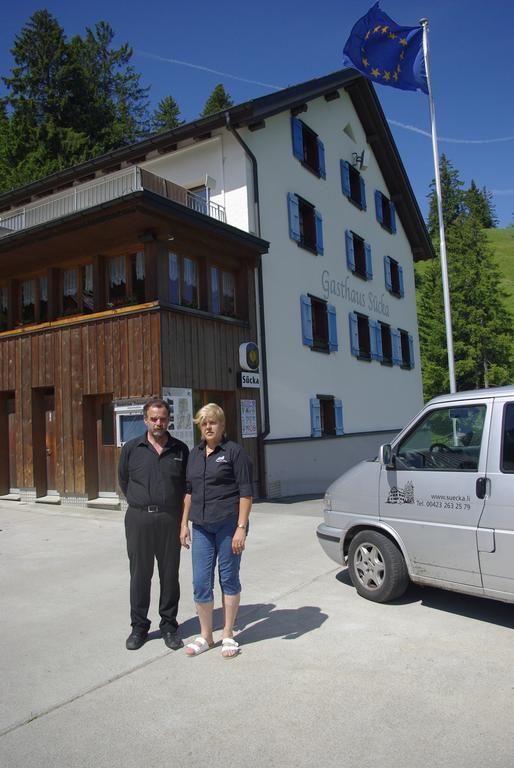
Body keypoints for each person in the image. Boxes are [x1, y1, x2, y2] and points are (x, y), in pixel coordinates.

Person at [180, 403, 252, 658]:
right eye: (204, 423)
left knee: (228, 578)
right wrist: (183, 523)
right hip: (200, 526)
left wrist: (241, 529)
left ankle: (228, 634)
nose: (208, 427)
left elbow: (245, 493)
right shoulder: (194, 454)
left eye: (213, 422)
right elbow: (189, 491)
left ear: (222, 426)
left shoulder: (234, 453)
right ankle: (206, 636)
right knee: (200, 582)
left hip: (228, 525)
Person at [118, 397, 189, 651]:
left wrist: (183, 522)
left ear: (169, 420)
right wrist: (142, 502)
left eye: (163, 418)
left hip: (170, 518)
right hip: (139, 519)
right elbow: (124, 481)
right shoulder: (131, 448)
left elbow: (185, 488)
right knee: (140, 575)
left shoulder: (180, 450)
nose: (158, 423)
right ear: (145, 420)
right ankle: (139, 627)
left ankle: (169, 626)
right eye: (153, 418)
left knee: (169, 575)